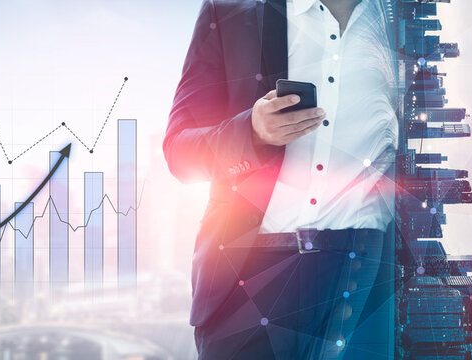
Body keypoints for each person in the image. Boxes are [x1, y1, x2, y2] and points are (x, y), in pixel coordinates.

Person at [163, 0, 398, 358]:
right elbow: (180, 153)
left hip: (366, 275)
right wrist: (252, 132)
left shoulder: (401, 22)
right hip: (247, 279)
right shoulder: (227, 13)